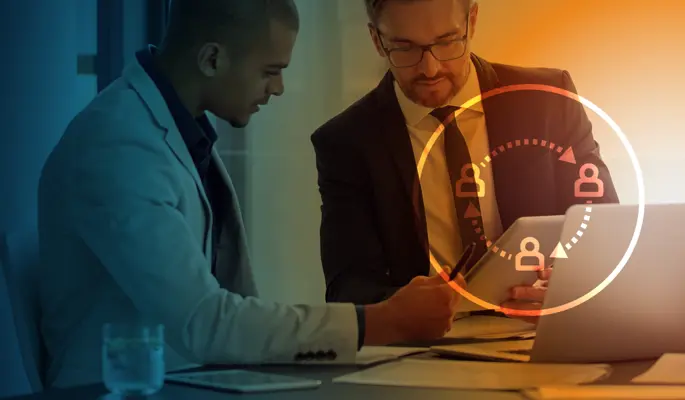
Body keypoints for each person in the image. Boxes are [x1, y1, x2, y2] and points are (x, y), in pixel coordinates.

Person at [37, 0, 465, 389]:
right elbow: (204, 324)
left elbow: (229, 309)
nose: (277, 89)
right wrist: (380, 322)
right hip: (129, 390)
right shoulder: (118, 148)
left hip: (197, 380)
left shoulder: (177, 132)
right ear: (212, 59)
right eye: (270, 71)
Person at [311, 0, 619, 319]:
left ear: (472, 21)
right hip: (424, 353)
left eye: (446, 42)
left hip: (543, 333)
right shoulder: (346, 142)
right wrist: (402, 307)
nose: (430, 69)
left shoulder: (549, 100)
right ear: (377, 40)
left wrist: (571, 281)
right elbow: (347, 288)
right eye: (405, 48)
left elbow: (605, 230)